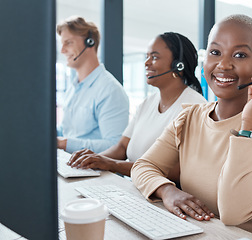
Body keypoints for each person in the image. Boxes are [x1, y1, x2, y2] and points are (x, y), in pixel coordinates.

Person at [131, 14, 252, 240]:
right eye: (215, 52)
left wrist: (248, 127)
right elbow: (143, 166)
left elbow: (234, 213)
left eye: (240, 55)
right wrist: (167, 191)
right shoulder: (189, 118)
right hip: (200, 232)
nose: (223, 65)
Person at [67, 32, 207, 182]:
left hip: (164, 197)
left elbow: (176, 171)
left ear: (178, 65)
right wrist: (93, 159)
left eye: (154, 57)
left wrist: (112, 165)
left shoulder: (194, 107)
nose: (147, 62)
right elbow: (121, 147)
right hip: (134, 190)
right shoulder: (148, 103)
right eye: (147, 56)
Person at [56, 16, 129, 153]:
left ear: (90, 43)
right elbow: (67, 131)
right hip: (69, 165)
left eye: (68, 43)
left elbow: (115, 146)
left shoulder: (110, 90)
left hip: (94, 172)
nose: (62, 50)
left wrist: (64, 143)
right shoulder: (73, 87)